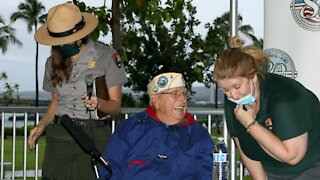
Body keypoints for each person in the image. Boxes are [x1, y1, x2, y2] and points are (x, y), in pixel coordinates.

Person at [28, 2, 128, 179]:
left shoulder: (106, 56)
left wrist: (99, 103)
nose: (64, 44)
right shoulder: (52, 63)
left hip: (94, 136)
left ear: (81, 33)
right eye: (59, 40)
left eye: (67, 38)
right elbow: (55, 101)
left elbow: (115, 107)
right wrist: (41, 125)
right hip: (60, 134)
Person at [213, 35, 320, 179]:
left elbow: (292, 157)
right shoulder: (232, 100)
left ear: (253, 76)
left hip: (310, 166)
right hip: (271, 169)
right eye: (225, 90)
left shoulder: (284, 96)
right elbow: (246, 150)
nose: (233, 95)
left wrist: (250, 124)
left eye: (237, 86)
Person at [99, 72, 214, 179]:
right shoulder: (130, 128)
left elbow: (205, 175)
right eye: (175, 94)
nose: (182, 99)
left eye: (184, 94)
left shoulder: (198, 135)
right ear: (155, 99)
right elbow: (109, 170)